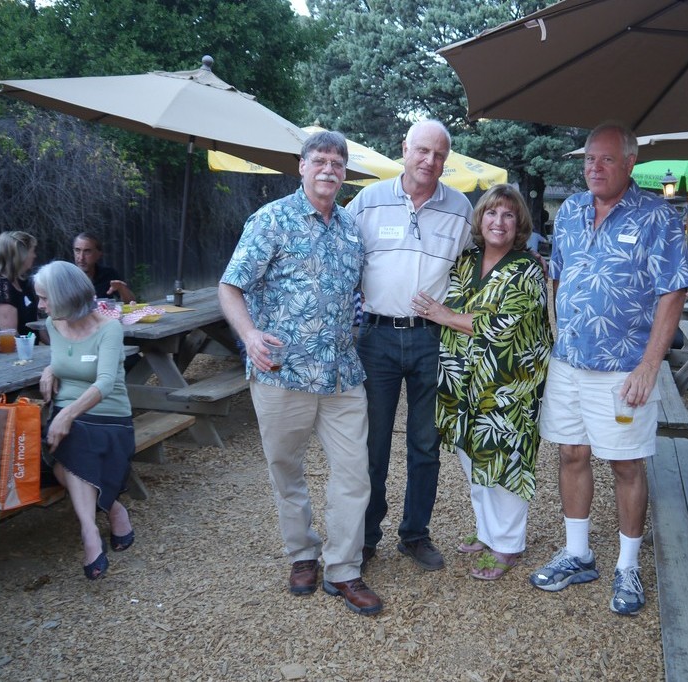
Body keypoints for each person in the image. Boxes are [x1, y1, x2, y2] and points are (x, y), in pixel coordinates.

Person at [218, 131, 382, 616]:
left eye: (337, 162)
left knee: (354, 472)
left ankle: (343, 568)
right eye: (320, 160)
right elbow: (230, 286)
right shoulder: (271, 220)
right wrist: (249, 335)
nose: (329, 169)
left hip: (342, 376)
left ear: (344, 172)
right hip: (282, 373)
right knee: (286, 469)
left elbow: (361, 292)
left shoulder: (351, 227)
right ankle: (302, 554)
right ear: (302, 166)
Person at [529, 122, 688, 616]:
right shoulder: (571, 211)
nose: (594, 168)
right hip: (569, 362)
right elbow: (559, 276)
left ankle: (627, 564)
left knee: (626, 463)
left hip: (625, 368)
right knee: (571, 453)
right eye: (588, 159)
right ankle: (578, 554)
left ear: (630, 163)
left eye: (606, 160)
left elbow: (673, 291)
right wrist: (564, 332)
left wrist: (650, 365)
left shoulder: (658, 216)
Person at [346, 120, 473, 573]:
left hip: (430, 338)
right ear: (405, 149)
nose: (429, 161)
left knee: (425, 443)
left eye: (439, 155)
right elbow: (341, 255)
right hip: (376, 336)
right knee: (372, 444)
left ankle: (415, 534)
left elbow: (476, 268)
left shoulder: (460, 209)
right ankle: (366, 537)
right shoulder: (368, 201)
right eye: (422, 150)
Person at [411, 184, 552, 581]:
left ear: (519, 224)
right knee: (473, 458)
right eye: (491, 213)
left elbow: (504, 325)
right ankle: (489, 531)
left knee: (504, 463)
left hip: (509, 386)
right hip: (462, 382)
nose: (499, 222)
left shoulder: (526, 269)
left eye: (508, 215)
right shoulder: (466, 259)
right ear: (480, 218)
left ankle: (508, 545)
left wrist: (444, 316)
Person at [36, 260, 135, 580]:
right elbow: (65, 359)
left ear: (65, 296)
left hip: (109, 415)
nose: (40, 305)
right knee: (64, 449)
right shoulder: (53, 324)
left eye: (45, 298)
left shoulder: (109, 328)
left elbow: (105, 382)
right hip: (69, 414)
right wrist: (50, 369)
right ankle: (109, 512)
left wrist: (67, 414)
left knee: (66, 449)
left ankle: (89, 532)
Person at [0, 231, 39, 338]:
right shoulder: (1, 288)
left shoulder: (24, 283)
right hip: (3, 348)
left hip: (28, 346)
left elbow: (35, 325)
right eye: (32, 251)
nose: (35, 255)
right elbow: (10, 335)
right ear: (21, 255)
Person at [73, 232, 135, 302]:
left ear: (99, 254)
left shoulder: (108, 274)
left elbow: (131, 303)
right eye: (77, 250)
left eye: (87, 251)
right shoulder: (65, 276)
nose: (81, 257)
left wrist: (121, 289)